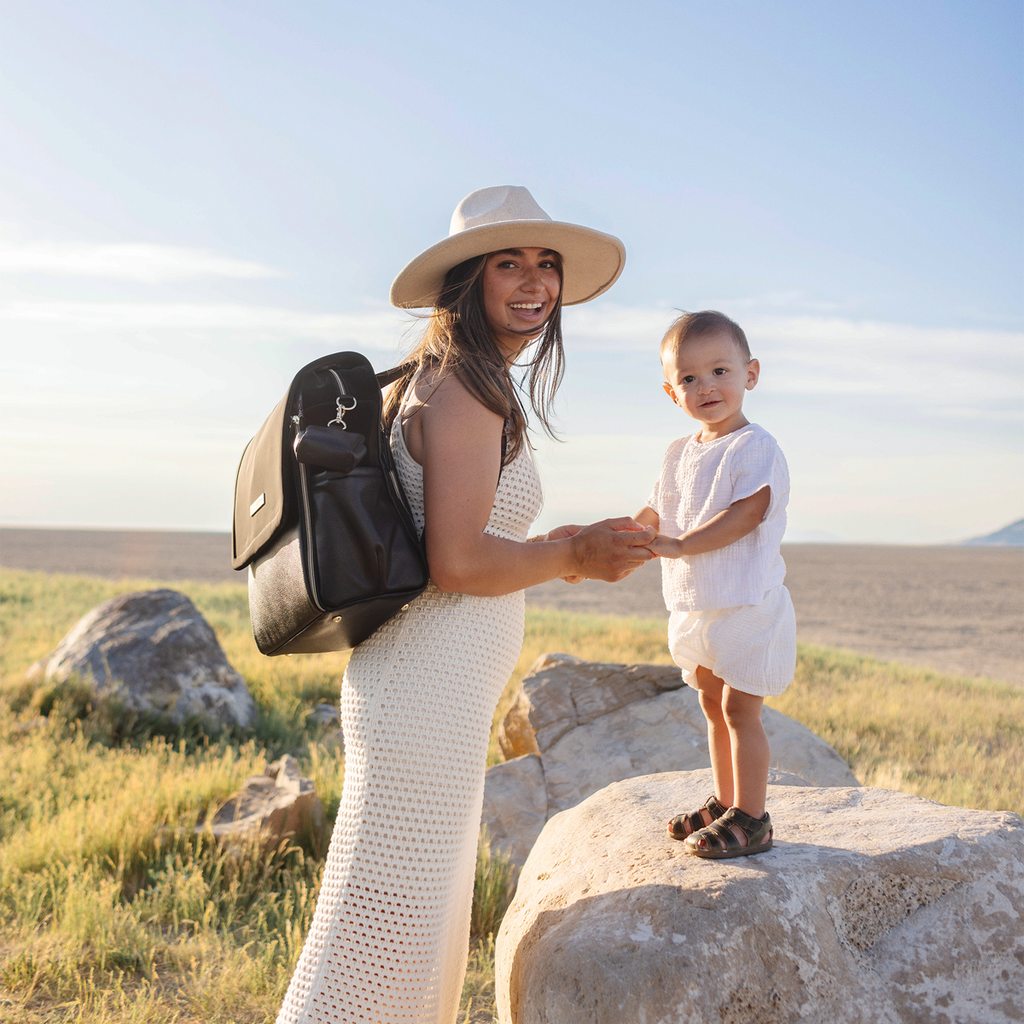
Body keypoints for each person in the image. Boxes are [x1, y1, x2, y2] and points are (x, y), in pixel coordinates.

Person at [275, 185, 655, 1024]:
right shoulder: (463, 388)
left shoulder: (452, 379)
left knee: (405, 933)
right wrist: (573, 559)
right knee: (374, 939)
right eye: (508, 263)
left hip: (428, 689)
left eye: (546, 263)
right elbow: (455, 561)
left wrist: (558, 543)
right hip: (423, 689)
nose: (534, 281)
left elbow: (455, 531)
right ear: (466, 281)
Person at [635, 310, 795, 859]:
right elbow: (657, 509)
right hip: (695, 604)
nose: (706, 387)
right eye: (689, 378)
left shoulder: (754, 447)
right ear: (670, 390)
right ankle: (725, 800)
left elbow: (746, 514)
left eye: (720, 371)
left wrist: (678, 545)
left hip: (746, 604)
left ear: (750, 374)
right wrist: (629, 537)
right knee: (709, 702)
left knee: (739, 711)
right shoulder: (679, 452)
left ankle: (753, 818)